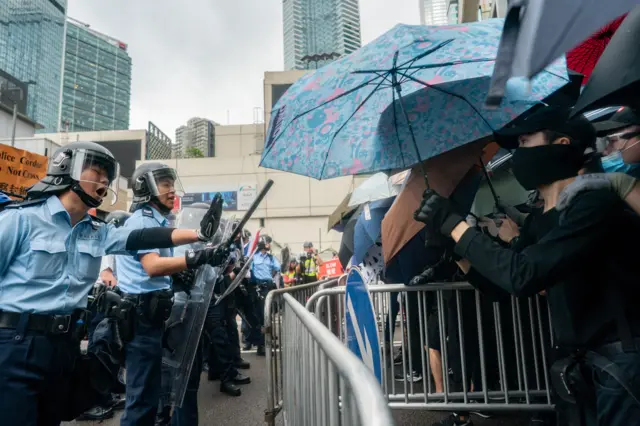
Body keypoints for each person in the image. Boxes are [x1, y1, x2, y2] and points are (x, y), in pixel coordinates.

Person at [414, 106, 640, 426]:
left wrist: (455, 226)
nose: (519, 154)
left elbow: (523, 274)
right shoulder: (540, 220)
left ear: (561, 144)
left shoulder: (595, 201)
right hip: (580, 370)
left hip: (622, 368)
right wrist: (458, 251)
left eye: (525, 141)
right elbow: (503, 286)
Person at [0, 142, 225, 426]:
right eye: (97, 171)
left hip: (64, 347)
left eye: (108, 175)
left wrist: (197, 235)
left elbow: (142, 238)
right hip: (16, 344)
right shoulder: (18, 220)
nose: (105, 181)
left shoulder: (96, 231)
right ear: (65, 169)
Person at [116, 162, 227, 426]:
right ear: (147, 188)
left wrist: (203, 239)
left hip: (154, 314)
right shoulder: (142, 220)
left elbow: (174, 242)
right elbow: (152, 266)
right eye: (165, 184)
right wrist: (196, 257)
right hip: (141, 314)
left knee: (150, 395)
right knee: (141, 399)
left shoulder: (159, 221)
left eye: (172, 184)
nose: (172, 190)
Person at [78, 210, 131, 422]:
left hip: (107, 301)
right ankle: (97, 398)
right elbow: (107, 276)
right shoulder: (105, 244)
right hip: (101, 301)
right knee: (100, 349)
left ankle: (110, 390)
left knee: (110, 348)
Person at [248, 236, 281, 356]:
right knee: (261, 317)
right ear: (262, 243)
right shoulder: (253, 257)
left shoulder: (271, 258)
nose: (269, 244)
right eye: (268, 242)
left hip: (268, 288)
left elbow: (278, 268)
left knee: (268, 315)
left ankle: (266, 342)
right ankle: (261, 345)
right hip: (258, 288)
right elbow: (248, 271)